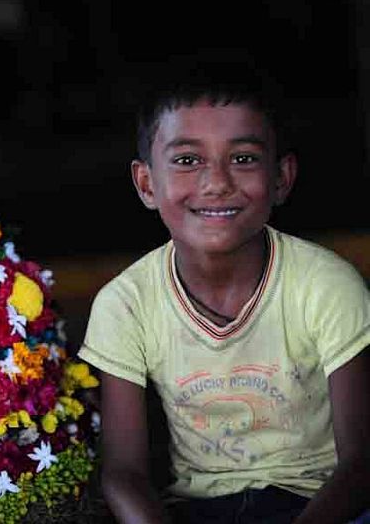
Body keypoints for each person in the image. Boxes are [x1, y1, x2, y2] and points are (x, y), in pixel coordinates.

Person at [78, 52, 370, 524]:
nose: (216, 183)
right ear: (146, 184)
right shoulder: (125, 304)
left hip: (322, 504)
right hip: (200, 510)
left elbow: (361, 464)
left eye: (244, 158)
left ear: (281, 178)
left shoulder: (326, 285)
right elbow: (123, 473)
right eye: (188, 160)